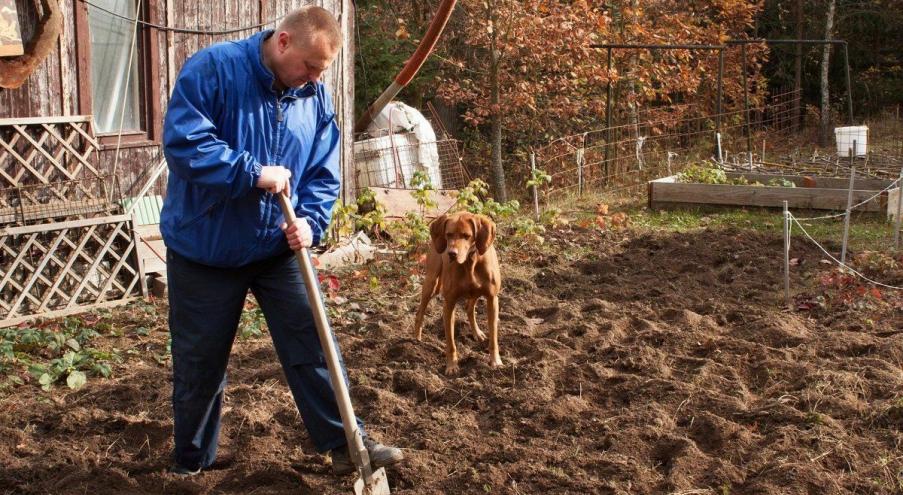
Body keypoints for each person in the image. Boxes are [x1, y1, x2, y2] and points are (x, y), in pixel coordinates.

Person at [160, 6, 403, 477]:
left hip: (277, 248)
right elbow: (185, 144)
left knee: (313, 344)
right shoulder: (214, 69)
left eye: (322, 71)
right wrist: (252, 172)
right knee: (200, 365)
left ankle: (347, 446)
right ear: (284, 41)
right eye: (309, 67)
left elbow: (323, 174)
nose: (313, 78)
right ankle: (191, 464)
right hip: (205, 249)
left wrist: (311, 221)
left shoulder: (315, 96)